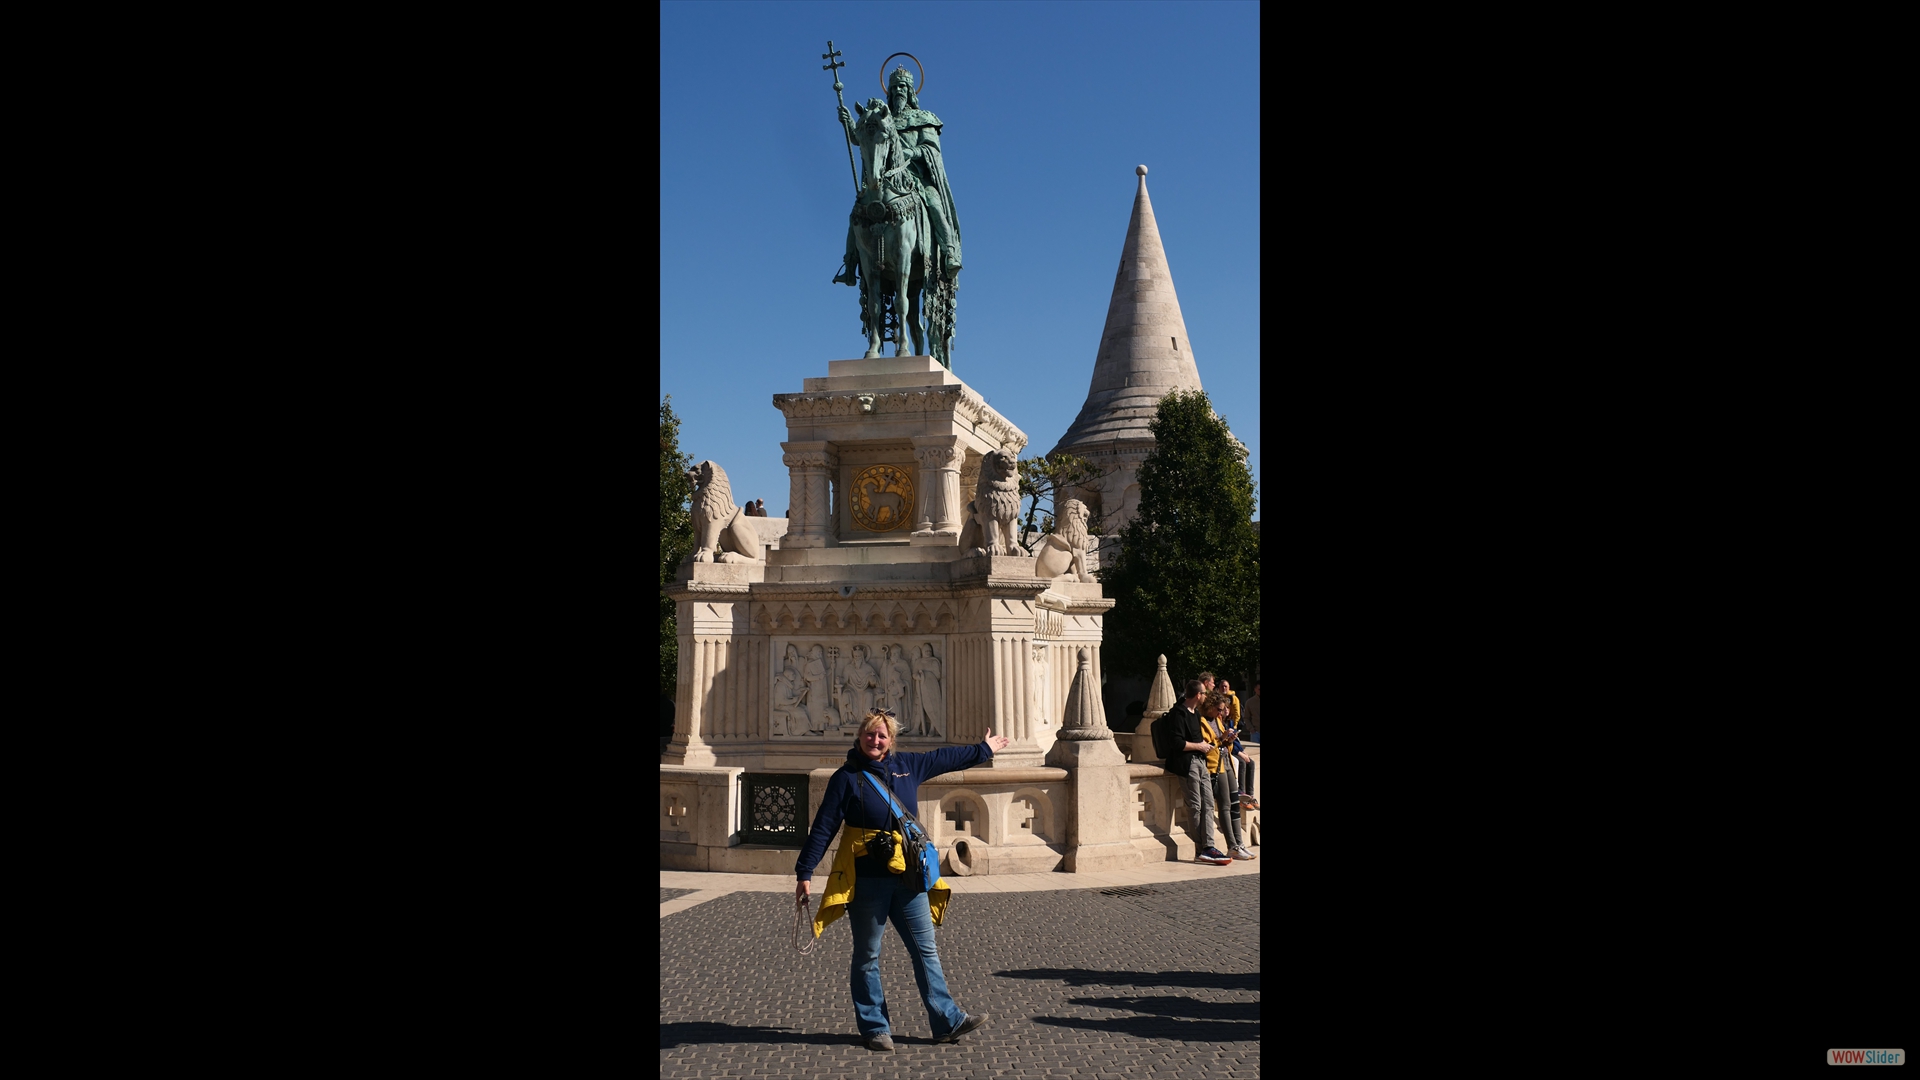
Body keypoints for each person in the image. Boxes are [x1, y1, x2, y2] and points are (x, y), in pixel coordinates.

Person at [796, 712, 1011, 1052]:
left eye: (881, 736)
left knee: (925, 951)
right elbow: (824, 827)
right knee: (867, 955)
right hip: (867, 882)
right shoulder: (847, 777)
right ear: (860, 736)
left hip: (909, 879)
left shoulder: (908, 766)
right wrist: (804, 872)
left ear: (891, 740)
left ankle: (947, 1020)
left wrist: (983, 749)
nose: (875, 741)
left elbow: (945, 758)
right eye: (870, 735)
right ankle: (875, 1028)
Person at [835, 65, 962, 283]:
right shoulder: (882, 119)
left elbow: (931, 149)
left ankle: (949, 251)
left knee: (933, 201)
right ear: (890, 92)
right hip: (884, 180)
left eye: (903, 86)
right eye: (895, 87)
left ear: (911, 91)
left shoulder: (923, 118)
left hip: (915, 178)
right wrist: (849, 124)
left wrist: (911, 151)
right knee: (856, 213)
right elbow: (863, 140)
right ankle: (851, 263)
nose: (899, 91)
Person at [1163, 679, 1231, 865]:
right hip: (1187, 764)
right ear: (1198, 695)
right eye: (1204, 693)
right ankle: (1201, 848)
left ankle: (1208, 846)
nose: (1206, 696)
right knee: (1196, 806)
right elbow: (1176, 743)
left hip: (1201, 762)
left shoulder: (1195, 714)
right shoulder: (1178, 714)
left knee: (1209, 803)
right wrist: (1199, 746)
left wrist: (1208, 745)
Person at [1201, 694, 1255, 861]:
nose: (1221, 713)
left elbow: (1225, 745)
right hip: (1215, 766)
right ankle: (1232, 845)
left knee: (1234, 804)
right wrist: (1221, 739)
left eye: (1223, 710)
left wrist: (1229, 740)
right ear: (1210, 706)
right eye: (1219, 709)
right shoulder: (1202, 721)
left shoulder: (1217, 720)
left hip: (1226, 762)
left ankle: (1239, 844)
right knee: (1224, 806)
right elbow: (1208, 745)